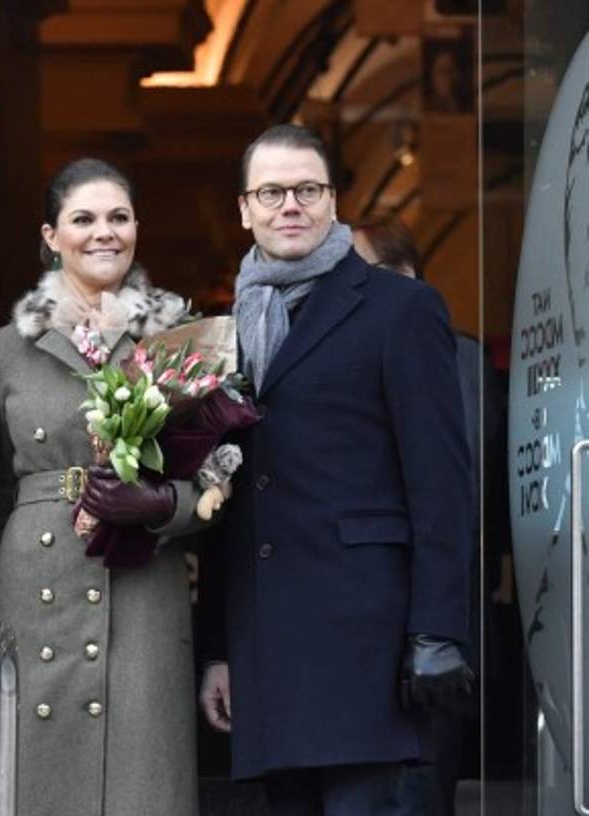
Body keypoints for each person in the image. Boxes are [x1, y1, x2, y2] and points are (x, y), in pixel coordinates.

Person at [198, 124, 474, 815]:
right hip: (269, 652)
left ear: (332, 201)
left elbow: (441, 483)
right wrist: (217, 651)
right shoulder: (223, 329)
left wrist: (438, 630)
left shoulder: (399, 308)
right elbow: (223, 503)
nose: (289, 205)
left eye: (307, 190)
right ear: (244, 208)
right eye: (271, 192)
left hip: (369, 649)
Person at [0, 157, 209, 816]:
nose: (104, 233)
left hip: (144, 583)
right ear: (51, 236)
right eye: (84, 219)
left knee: (139, 785)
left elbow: (218, 475)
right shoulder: (4, 346)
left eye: (119, 217)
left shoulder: (180, 337)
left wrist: (166, 505)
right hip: (33, 584)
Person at [353, 216, 503, 816]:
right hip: (376, 618)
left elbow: (462, 494)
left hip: (437, 617)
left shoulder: (451, 354)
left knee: (422, 784)